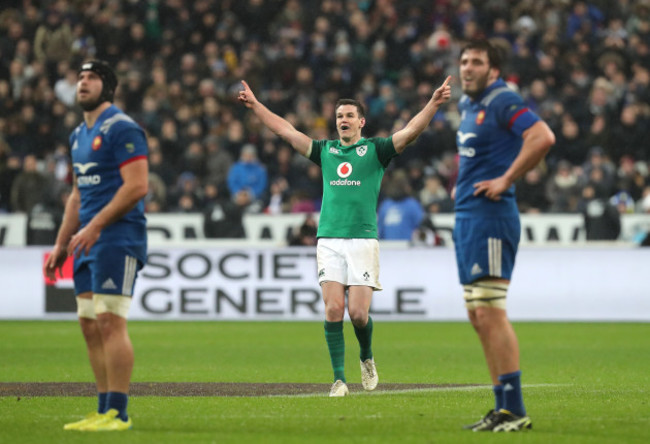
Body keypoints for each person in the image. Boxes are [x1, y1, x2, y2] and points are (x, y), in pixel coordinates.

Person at [238, 76, 451, 396]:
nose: (344, 120)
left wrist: (433, 104)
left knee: (359, 314)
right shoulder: (324, 151)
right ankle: (339, 379)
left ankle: (366, 357)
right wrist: (256, 106)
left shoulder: (376, 150)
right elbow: (286, 131)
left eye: (350, 115)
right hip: (329, 240)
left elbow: (409, 132)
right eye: (339, 116)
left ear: (361, 122)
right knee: (334, 310)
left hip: (363, 240)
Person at [453, 40, 555, 432]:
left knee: (491, 310)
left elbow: (542, 137)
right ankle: (501, 409)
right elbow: (476, 156)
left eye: (476, 62)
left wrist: (506, 179)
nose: (467, 68)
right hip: (468, 216)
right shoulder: (468, 105)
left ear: (493, 70)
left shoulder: (501, 100)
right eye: (464, 61)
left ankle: (515, 409)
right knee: (477, 314)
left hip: (491, 217)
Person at [43, 60, 148, 432]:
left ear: (108, 87)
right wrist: (60, 245)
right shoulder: (77, 136)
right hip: (86, 240)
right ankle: (102, 408)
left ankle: (118, 413)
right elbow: (76, 195)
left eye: (92, 77)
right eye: (81, 77)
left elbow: (137, 186)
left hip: (118, 236)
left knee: (109, 320)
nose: (83, 82)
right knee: (89, 324)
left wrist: (96, 226)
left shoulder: (122, 128)